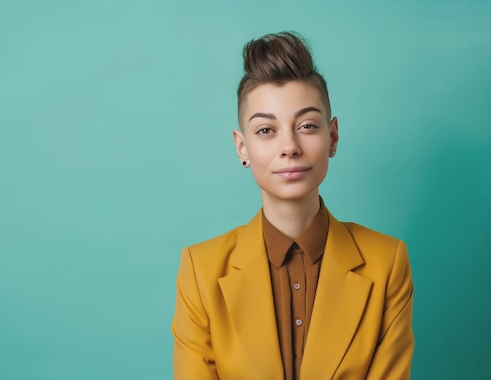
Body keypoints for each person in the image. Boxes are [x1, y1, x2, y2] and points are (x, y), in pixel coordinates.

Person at [171, 32, 414, 380]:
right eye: (266, 130)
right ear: (242, 147)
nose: (289, 146)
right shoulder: (200, 271)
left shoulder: (387, 263)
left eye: (306, 125)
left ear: (332, 137)